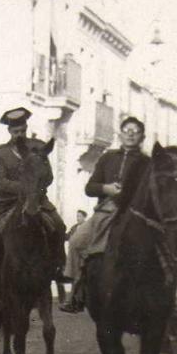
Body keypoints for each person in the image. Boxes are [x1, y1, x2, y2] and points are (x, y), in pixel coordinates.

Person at [59, 116, 151, 313]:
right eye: (127, 130)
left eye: (135, 131)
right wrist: (106, 188)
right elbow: (89, 188)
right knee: (76, 242)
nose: (130, 134)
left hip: (133, 215)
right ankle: (77, 292)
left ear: (142, 137)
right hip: (104, 213)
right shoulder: (108, 158)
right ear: (120, 134)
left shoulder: (147, 163)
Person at [0, 108, 66, 271]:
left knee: (59, 225)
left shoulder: (39, 146)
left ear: (26, 128)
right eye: (15, 131)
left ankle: (58, 266)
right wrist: (26, 188)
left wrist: (35, 190)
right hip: (5, 201)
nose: (19, 134)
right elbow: (1, 181)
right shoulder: (0, 152)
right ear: (9, 130)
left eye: (22, 130)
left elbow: (48, 177)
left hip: (36, 200)